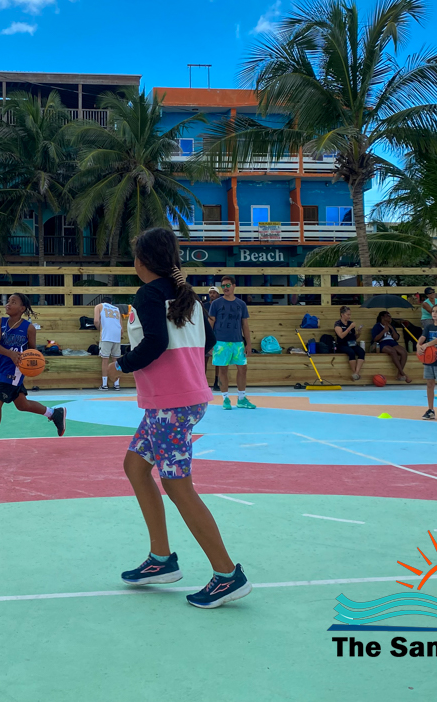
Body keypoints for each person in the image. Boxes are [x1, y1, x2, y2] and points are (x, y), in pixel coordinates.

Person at [116, 227, 250, 609]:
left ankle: (227, 575)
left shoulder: (148, 295)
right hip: (182, 401)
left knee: (178, 487)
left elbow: (156, 343)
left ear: (142, 261)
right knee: (135, 467)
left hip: (170, 406)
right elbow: (209, 342)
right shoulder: (186, 297)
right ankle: (161, 559)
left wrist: (122, 364)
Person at [0, 293, 67, 459]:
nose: (8, 304)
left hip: (16, 371)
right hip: (4, 368)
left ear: (22, 308)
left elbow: (32, 352)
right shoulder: (0, 322)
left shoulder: (29, 328)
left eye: (13, 302)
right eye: (8, 301)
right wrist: (10, 354)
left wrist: (31, 365)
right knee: (22, 404)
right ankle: (54, 413)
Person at [208, 276, 254, 409]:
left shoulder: (241, 304)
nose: (225, 288)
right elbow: (211, 322)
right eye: (223, 286)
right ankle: (225, 399)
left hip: (238, 342)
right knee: (222, 370)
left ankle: (241, 398)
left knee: (243, 369)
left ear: (234, 286)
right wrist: (209, 342)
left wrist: (248, 344)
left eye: (228, 285)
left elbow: (245, 325)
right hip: (220, 342)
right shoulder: (216, 304)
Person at [371, 311, 411, 383]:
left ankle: (399, 374)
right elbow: (375, 339)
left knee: (403, 352)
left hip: (392, 342)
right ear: (382, 317)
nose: (390, 317)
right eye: (388, 316)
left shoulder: (391, 326)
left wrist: (392, 329)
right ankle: (403, 373)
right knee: (393, 351)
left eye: (390, 316)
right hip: (382, 342)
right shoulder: (377, 326)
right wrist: (384, 331)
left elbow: (396, 338)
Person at [94, 296, 123, 391]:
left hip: (106, 335)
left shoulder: (99, 306)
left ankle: (104, 384)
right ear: (111, 303)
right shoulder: (117, 309)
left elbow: (96, 321)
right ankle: (116, 384)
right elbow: (121, 328)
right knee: (116, 361)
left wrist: (99, 329)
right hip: (117, 336)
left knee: (105, 359)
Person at [333, 306, 366, 381]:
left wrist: (359, 333)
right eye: (348, 315)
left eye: (350, 314)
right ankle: (354, 372)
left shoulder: (350, 323)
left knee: (361, 352)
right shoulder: (338, 324)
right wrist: (349, 328)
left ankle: (357, 372)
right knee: (351, 352)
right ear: (342, 314)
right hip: (342, 344)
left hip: (352, 343)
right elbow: (341, 336)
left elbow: (354, 337)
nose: (349, 316)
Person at [205, 286, 222, 392]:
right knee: (204, 359)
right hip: (207, 334)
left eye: (214, 293)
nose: (212, 294)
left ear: (218, 294)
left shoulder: (221, 305)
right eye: (210, 293)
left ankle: (217, 382)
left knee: (218, 360)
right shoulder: (204, 306)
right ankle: (203, 382)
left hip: (218, 335)